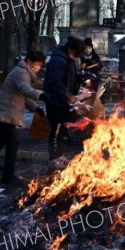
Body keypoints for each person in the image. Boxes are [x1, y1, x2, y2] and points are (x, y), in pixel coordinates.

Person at [0, 50, 48, 184]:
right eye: (37, 64)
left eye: (40, 65)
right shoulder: (21, 72)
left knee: (2, 138)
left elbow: (23, 96)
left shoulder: (23, 72)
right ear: (29, 61)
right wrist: (42, 95)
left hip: (5, 111)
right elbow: (25, 89)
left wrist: (36, 108)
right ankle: (8, 176)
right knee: (13, 142)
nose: (39, 68)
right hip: (5, 112)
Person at [44, 35, 86, 170]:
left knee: (62, 129)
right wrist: (67, 95)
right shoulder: (58, 60)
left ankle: (59, 154)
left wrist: (81, 79)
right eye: (76, 53)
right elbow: (54, 81)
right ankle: (53, 157)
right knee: (56, 130)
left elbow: (71, 76)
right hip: (55, 101)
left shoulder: (69, 59)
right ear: (70, 49)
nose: (76, 56)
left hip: (63, 101)